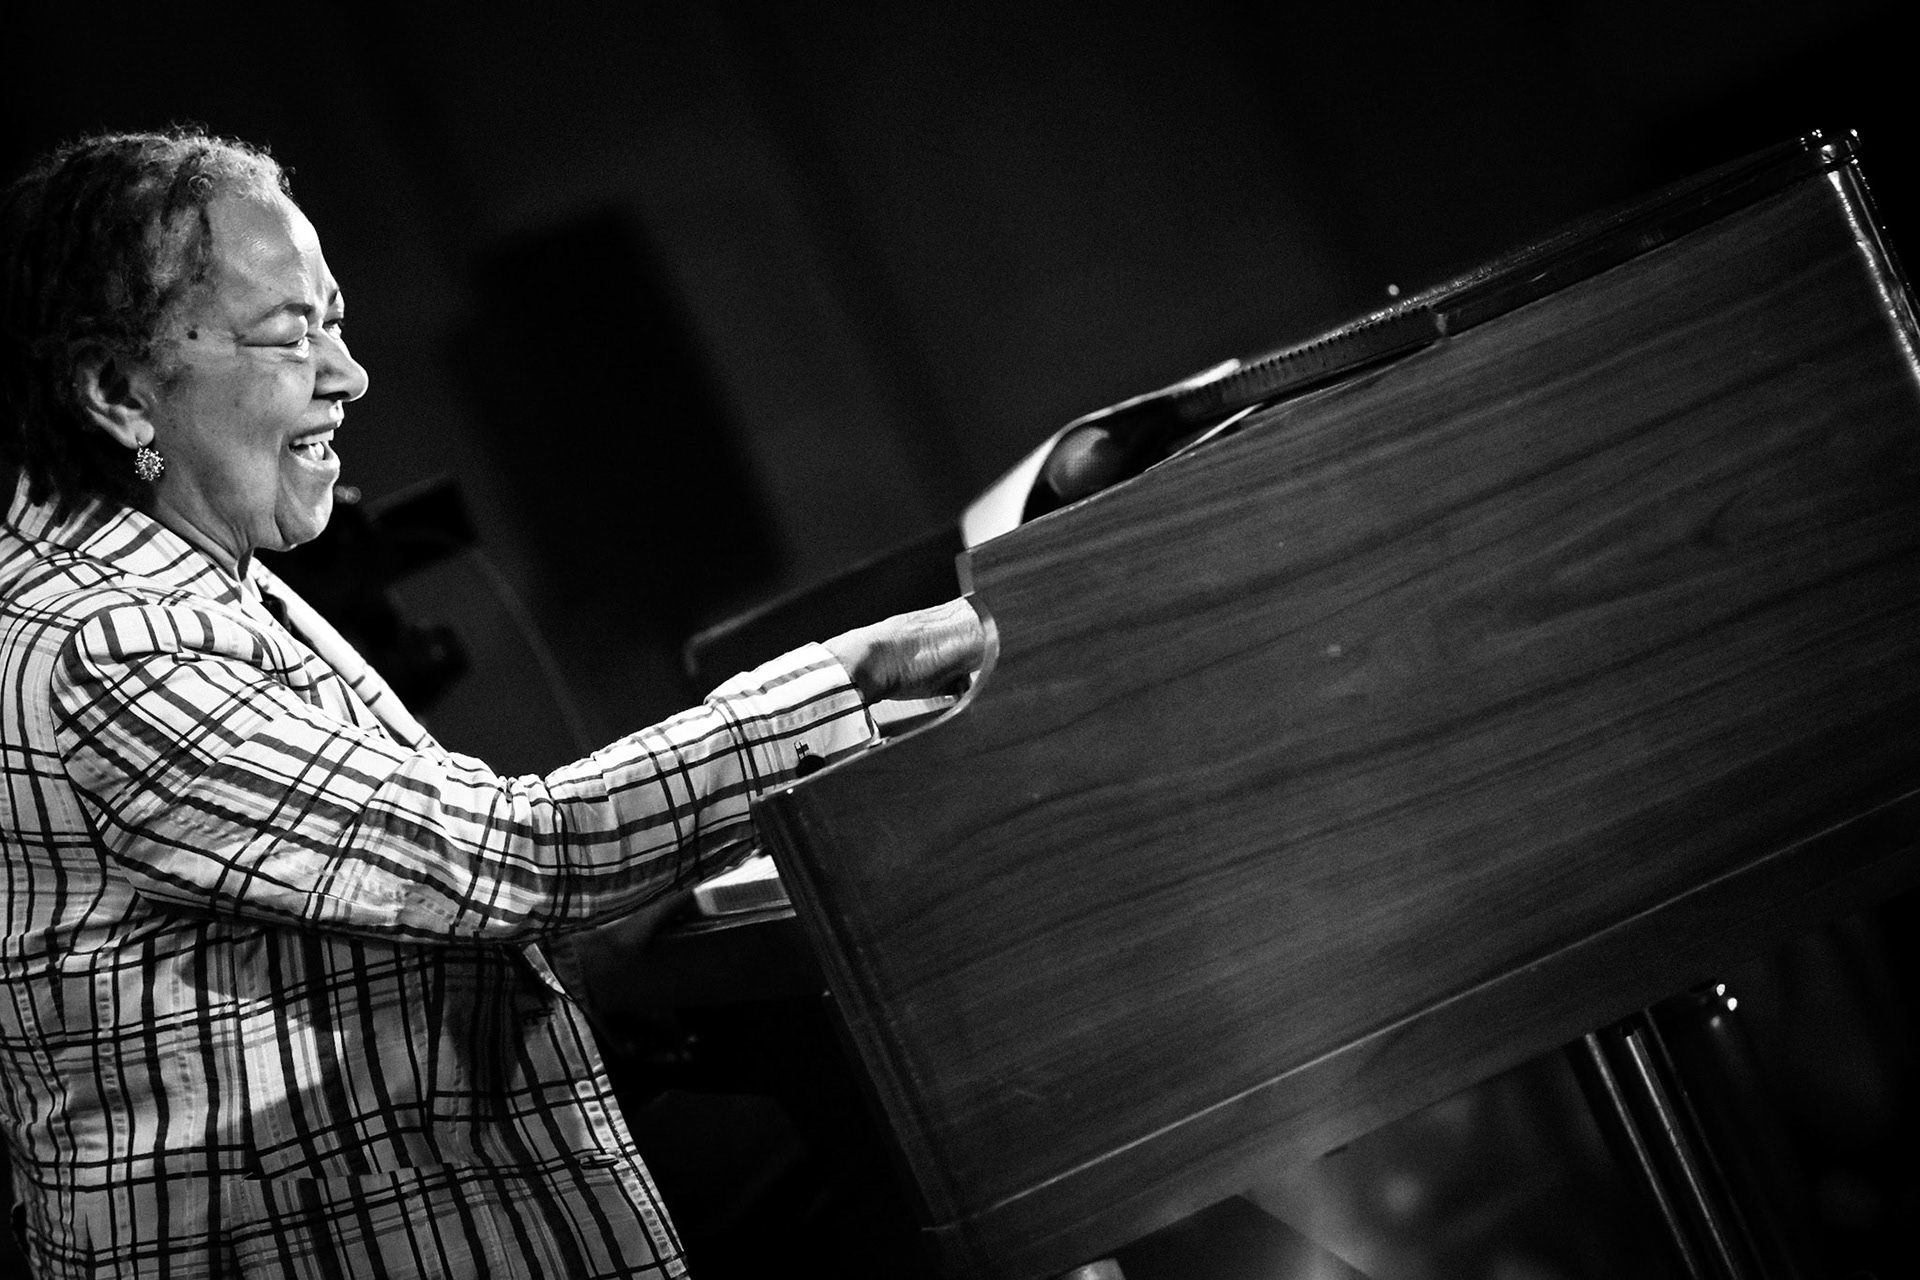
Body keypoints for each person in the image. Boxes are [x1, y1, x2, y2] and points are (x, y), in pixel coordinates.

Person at [0, 128, 984, 1279]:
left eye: (336, 320)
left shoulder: (170, 583)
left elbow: (390, 911)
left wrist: (645, 887)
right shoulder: (112, 645)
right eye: (290, 333)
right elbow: (511, 855)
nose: (348, 375)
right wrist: (857, 676)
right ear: (118, 392)